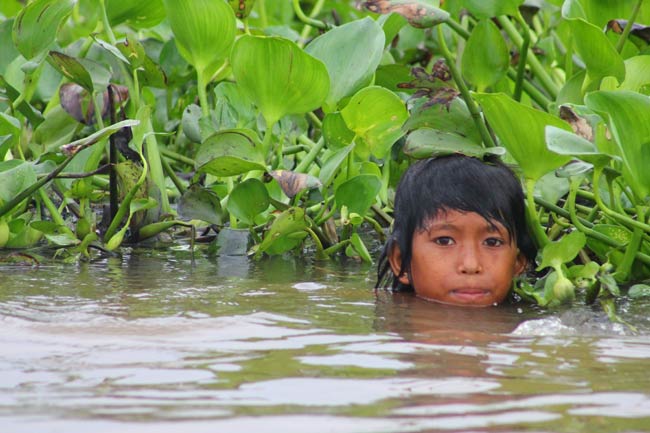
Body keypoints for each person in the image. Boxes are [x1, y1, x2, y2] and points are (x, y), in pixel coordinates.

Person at [376, 154, 537, 307]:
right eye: (444, 241)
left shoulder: (532, 324)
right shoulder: (390, 319)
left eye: (492, 242)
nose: (470, 265)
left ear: (517, 263)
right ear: (401, 262)